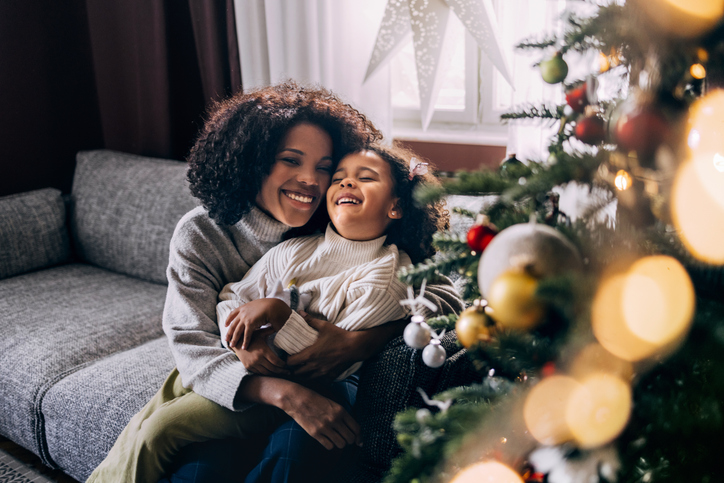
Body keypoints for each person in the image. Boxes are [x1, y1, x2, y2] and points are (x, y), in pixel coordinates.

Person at [87, 82, 462, 483]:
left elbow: (439, 293)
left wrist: (363, 340)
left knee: (171, 433)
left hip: (311, 375)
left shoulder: (334, 222)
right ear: (254, 161)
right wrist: (255, 353)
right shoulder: (203, 233)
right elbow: (194, 339)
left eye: (323, 167)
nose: (311, 181)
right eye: (291, 160)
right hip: (225, 370)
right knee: (154, 434)